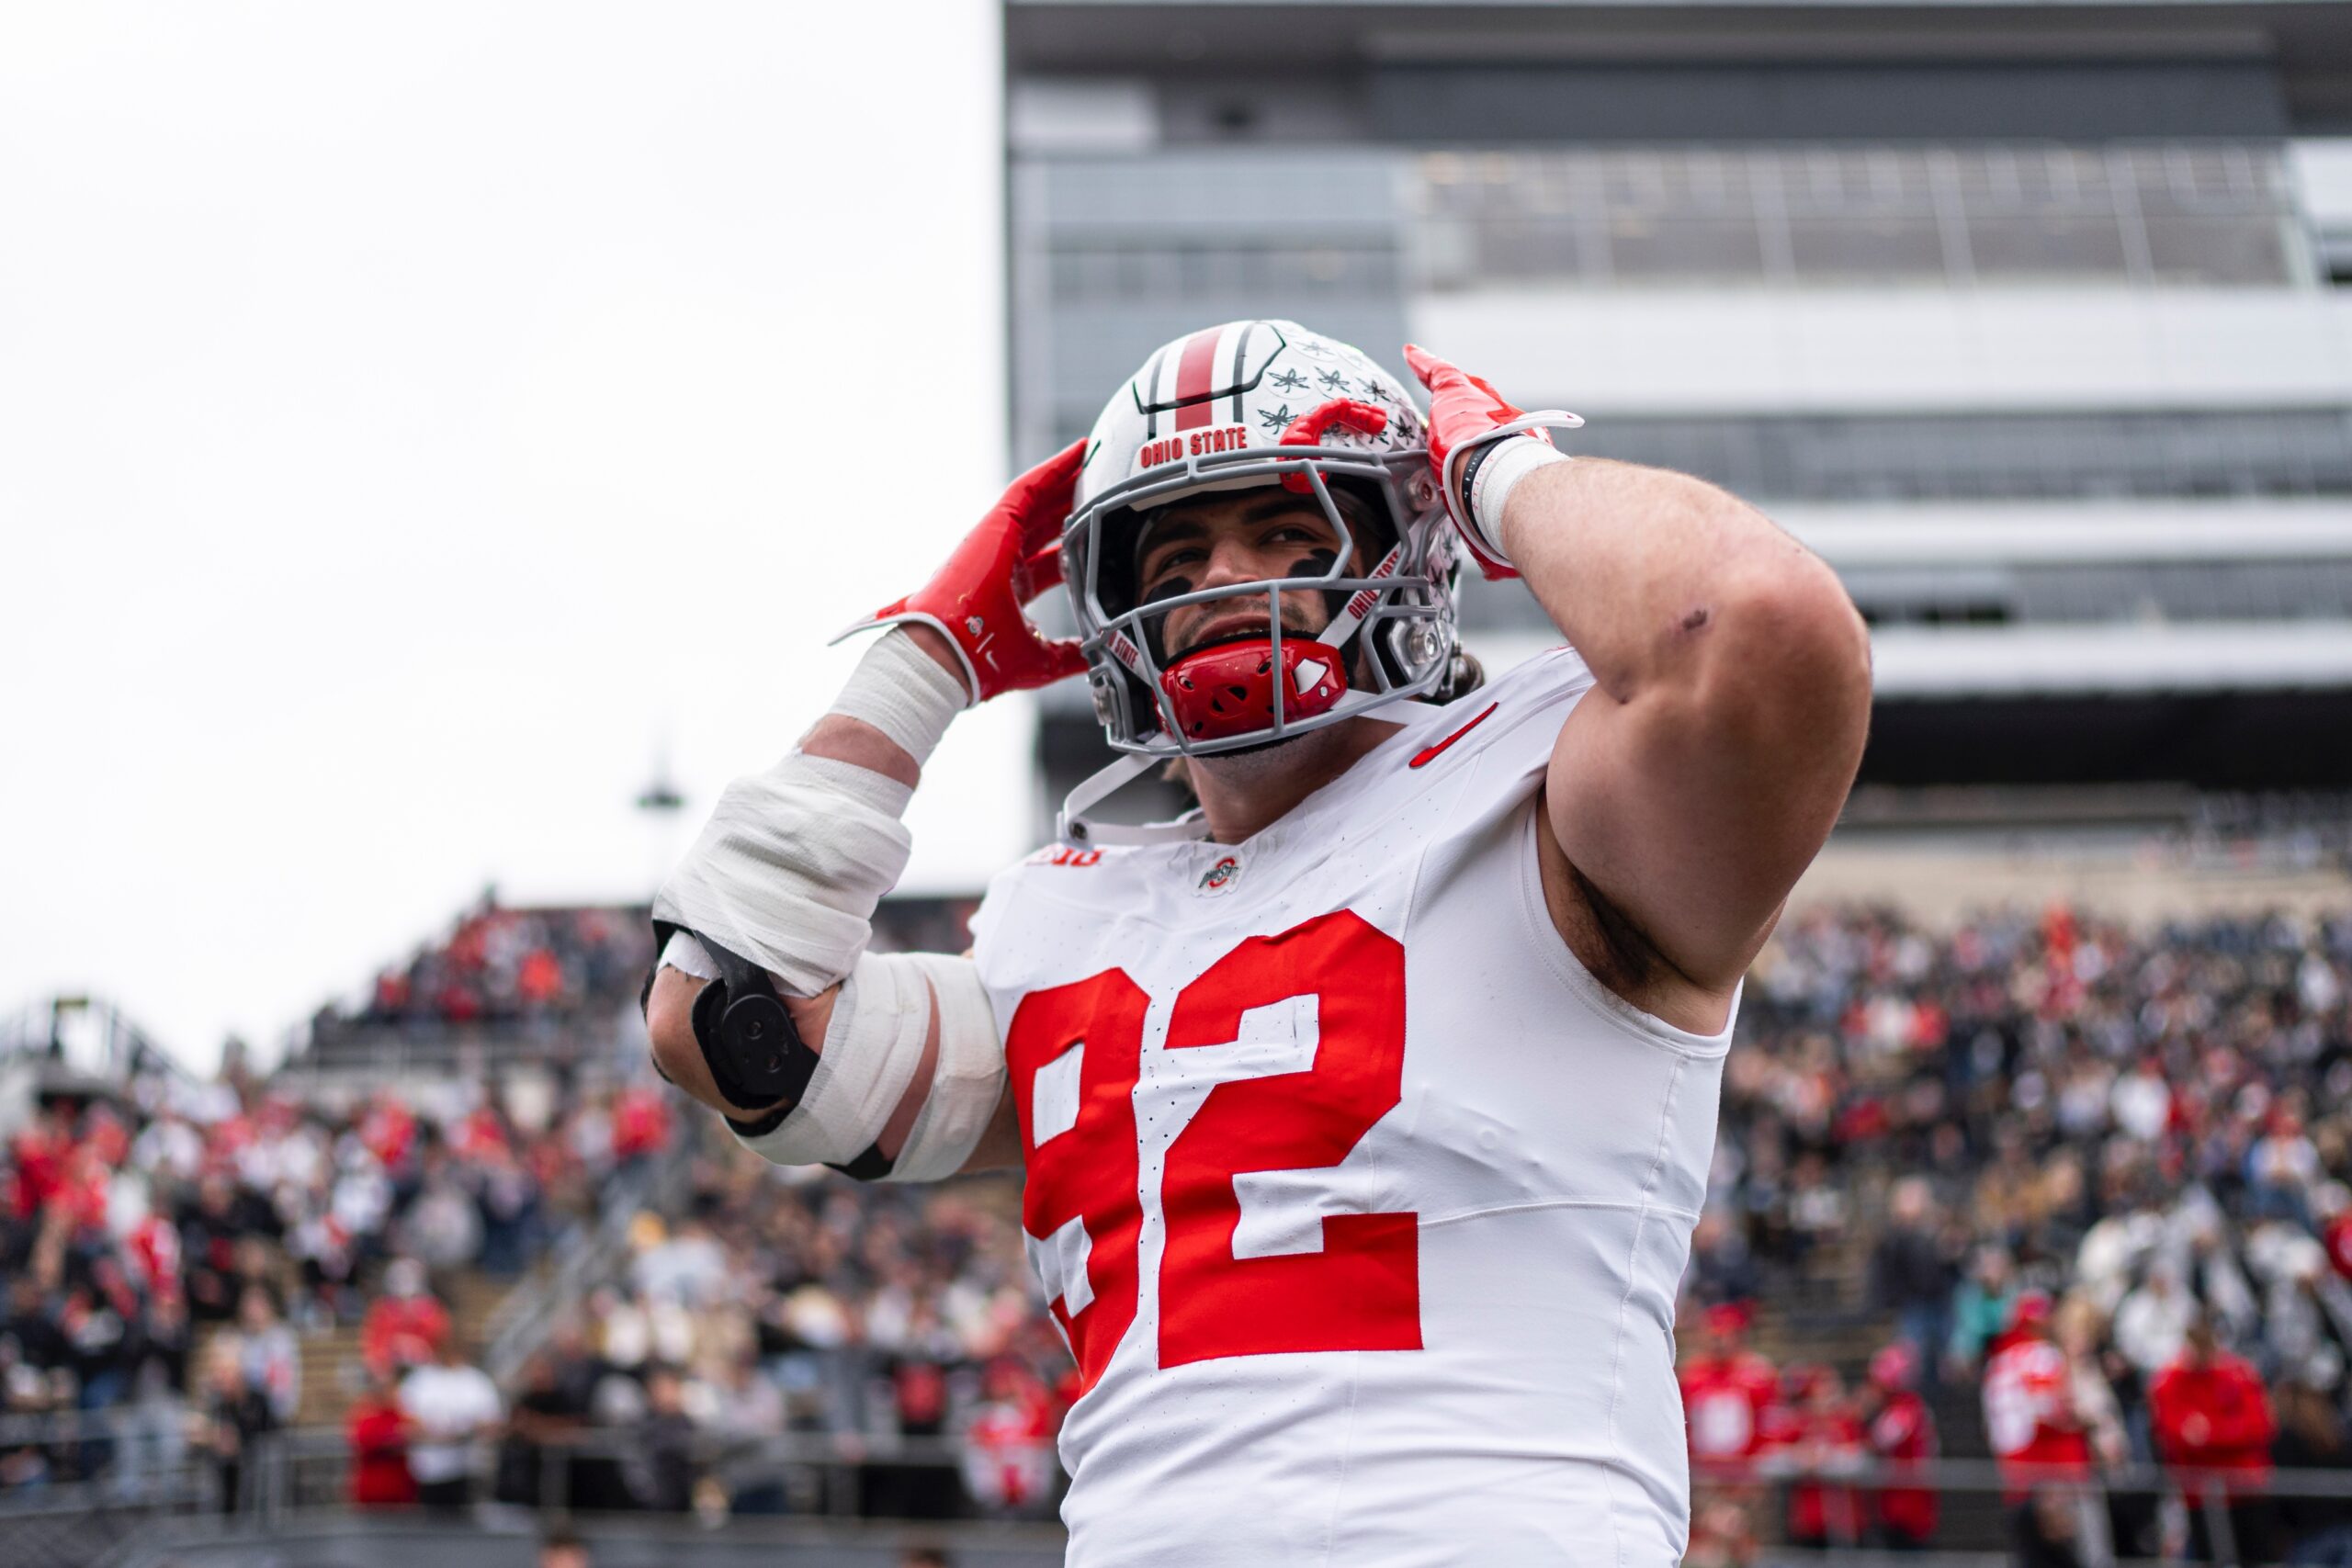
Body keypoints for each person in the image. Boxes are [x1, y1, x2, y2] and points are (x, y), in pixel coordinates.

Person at [646, 321, 1871, 1562]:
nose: (1222, 577)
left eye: (1288, 531)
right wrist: (930, 654)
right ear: (1110, 614)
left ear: (1412, 549)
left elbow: (1758, 621)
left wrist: (1501, 473)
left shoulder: (1545, 799)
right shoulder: (1067, 917)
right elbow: (729, 1020)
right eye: (1171, 553)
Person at [2150, 1314, 2277, 1564]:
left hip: (2246, 1488)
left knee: (2256, 1557)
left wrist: (2211, 1433)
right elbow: (2175, 1434)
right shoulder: (2171, 1381)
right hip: (2201, 1494)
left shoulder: (2239, 1374)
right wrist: (2227, 1433)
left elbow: (2260, 1427)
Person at [398, 1337, 503, 1511]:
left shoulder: (476, 1381)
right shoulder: (420, 1381)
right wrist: (441, 1435)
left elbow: (492, 1421)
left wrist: (467, 1431)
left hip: (468, 1467)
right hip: (429, 1469)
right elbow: (408, 1422)